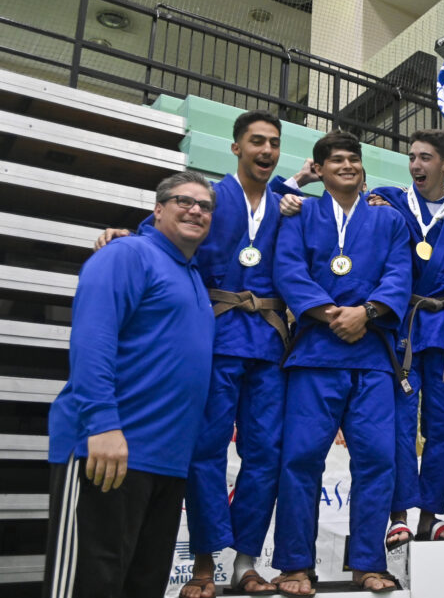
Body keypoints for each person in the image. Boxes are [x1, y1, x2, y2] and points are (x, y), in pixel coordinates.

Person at [95, 110, 317, 598]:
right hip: (216, 337)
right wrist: (126, 234)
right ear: (236, 148)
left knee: (265, 455)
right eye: (256, 142)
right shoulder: (212, 198)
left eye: (273, 143)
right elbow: (167, 226)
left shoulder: (288, 201)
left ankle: (245, 563)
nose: (266, 150)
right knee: (206, 453)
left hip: (269, 339)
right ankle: (202, 563)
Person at [42, 171, 216, 598]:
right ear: (157, 210)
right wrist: (102, 425)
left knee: (143, 586)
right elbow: (91, 341)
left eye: (206, 206)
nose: (196, 210)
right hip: (106, 450)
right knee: (89, 586)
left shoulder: (193, 275)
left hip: (166, 462)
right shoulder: (125, 255)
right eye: (183, 201)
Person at [271, 129, 412, 595]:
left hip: (372, 356)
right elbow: (287, 268)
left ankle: (368, 562)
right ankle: (295, 564)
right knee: (300, 460)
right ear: (320, 169)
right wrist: (329, 312)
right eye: (336, 161)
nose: (346, 165)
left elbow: (399, 273)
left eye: (353, 159)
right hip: (315, 352)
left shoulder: (387, 219)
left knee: (376, 462)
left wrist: (366, 313)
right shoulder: (300, 211)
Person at [367, 129, 444, 548]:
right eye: (412, 157)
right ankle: (398, 515)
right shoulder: (391, 199)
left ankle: (431, 515)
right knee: (398, 422)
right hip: (404, 324)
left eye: (426, 158)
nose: (416, 165)